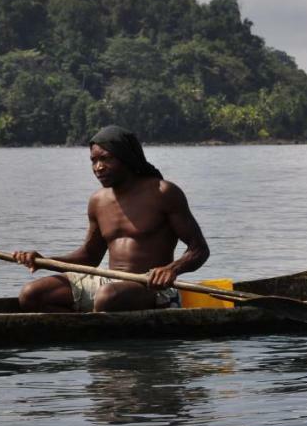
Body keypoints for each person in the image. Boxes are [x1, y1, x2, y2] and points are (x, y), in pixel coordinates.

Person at [13, 125, 209, 312]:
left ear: (126, 158)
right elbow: (89, 257)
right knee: (31, 294)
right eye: (93, 160)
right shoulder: (98, 201)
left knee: (107, 297)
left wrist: (171, 270)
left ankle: (99, 318)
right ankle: (88, 325)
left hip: (150, 287)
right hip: (108, 284)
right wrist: (44, 261)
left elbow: (199, 249)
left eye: (105, 159)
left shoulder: (163, 193)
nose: (98, 167)